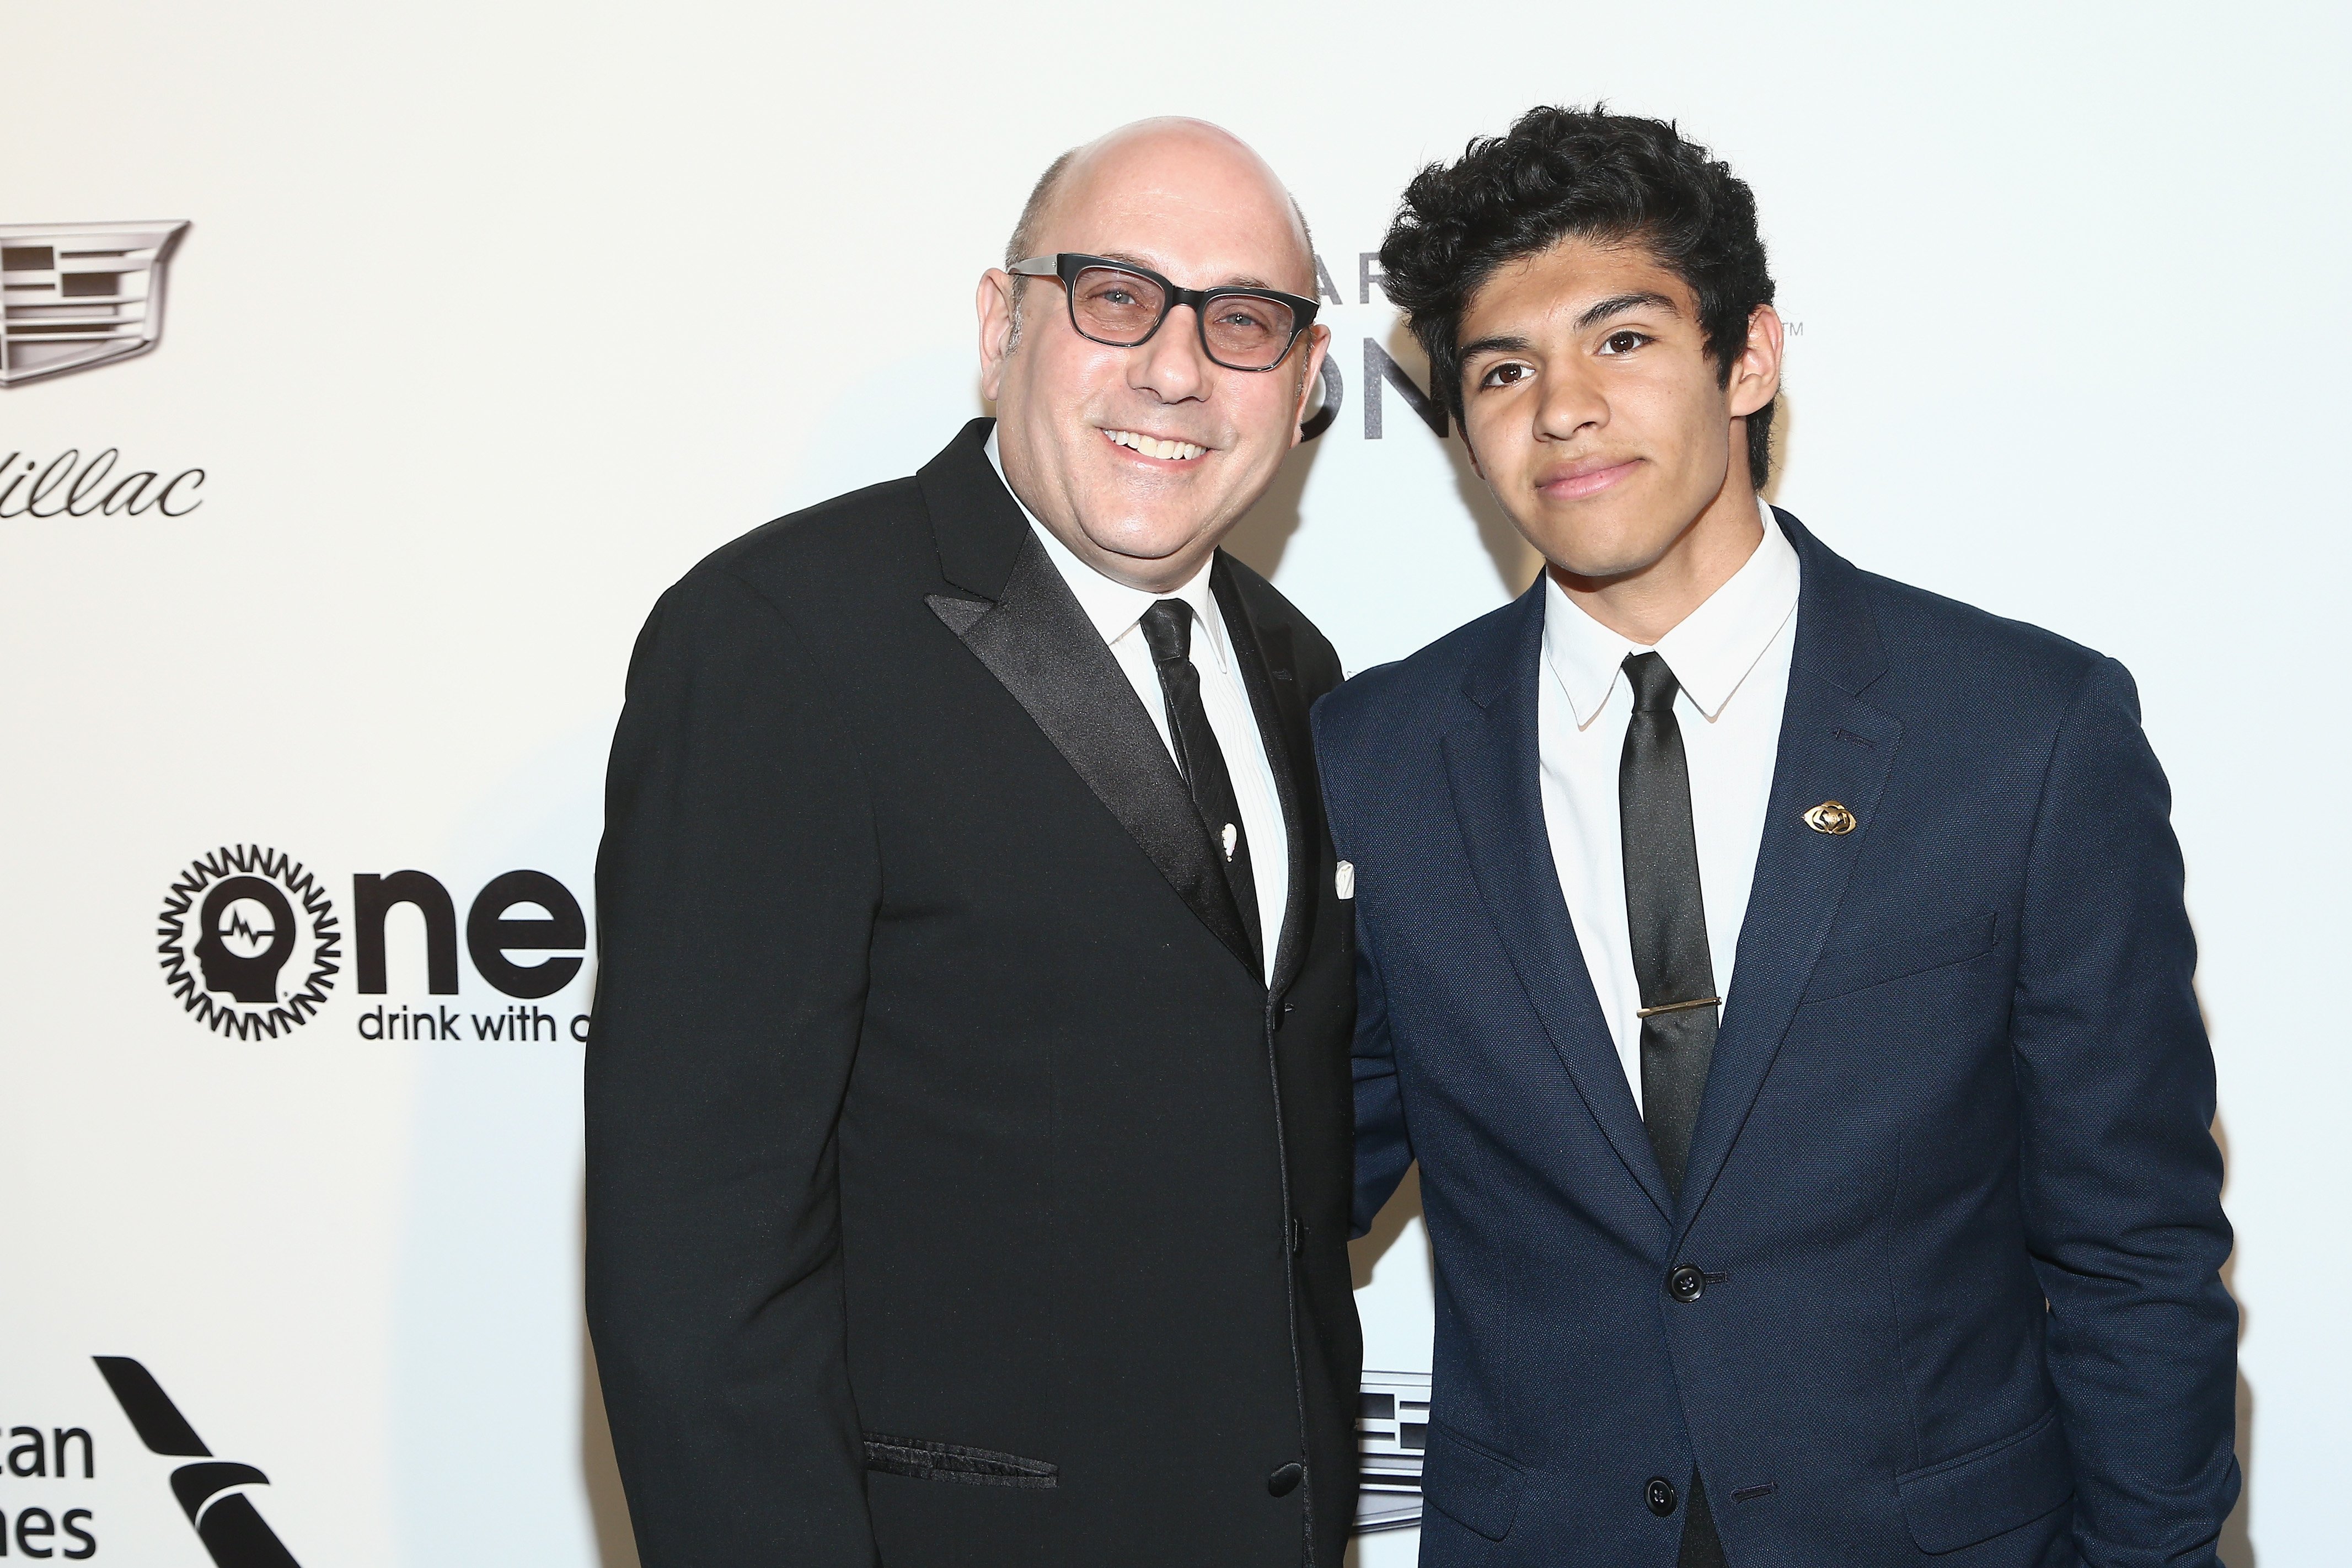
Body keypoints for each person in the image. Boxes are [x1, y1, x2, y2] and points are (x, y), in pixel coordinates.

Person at [1314, 106, 2237, 1567]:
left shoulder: (2022, 734)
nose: (1560, 406)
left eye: (1620, 341)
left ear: (1745, 356)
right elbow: (1281, 1185)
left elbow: (2134, 1249)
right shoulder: (1373, 757)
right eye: (1502, 369)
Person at [585, 118, 1362, 1568]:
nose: (1176, 368)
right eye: (1116, 295)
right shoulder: (781, 640)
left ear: (1308, 379)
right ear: (1003, 322)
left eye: (1243, 321)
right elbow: (695, 1273)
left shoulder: (1295, 670)